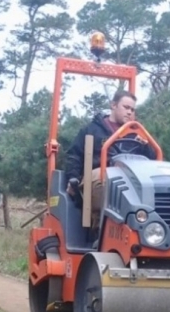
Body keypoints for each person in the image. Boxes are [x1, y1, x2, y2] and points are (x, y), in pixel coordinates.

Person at [65, 90, 155, 233]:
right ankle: (100, 229)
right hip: (99, 173)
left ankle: (145, 228)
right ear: (113, 105)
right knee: (108, 182)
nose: (129, 112)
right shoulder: (92, 130)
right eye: (126, 107)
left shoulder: (136, 133)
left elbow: (153, 161)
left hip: (128, 176)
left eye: (132, 110)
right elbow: (74, 156)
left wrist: (146, 147)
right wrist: (72, 178)